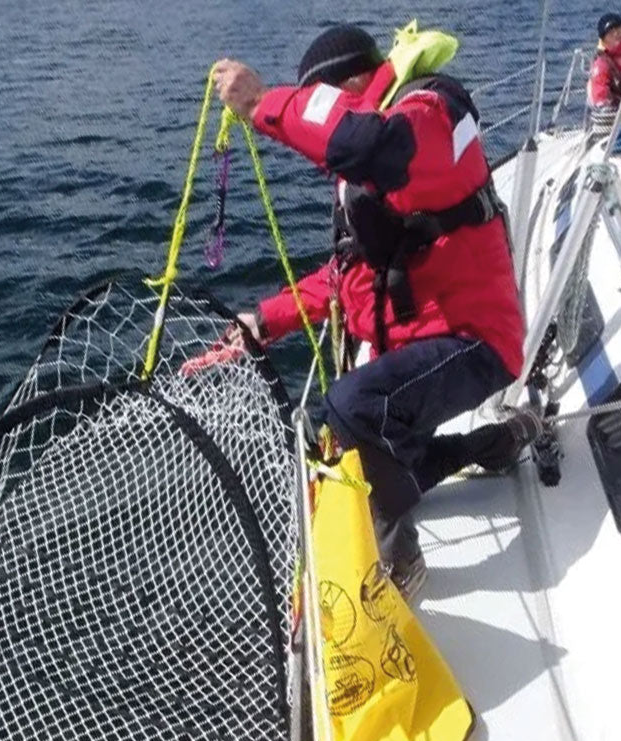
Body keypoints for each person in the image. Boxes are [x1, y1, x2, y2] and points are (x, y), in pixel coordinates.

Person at [190, 24, 532, 600]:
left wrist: (261, 103)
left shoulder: (430, 112)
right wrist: (262, 322)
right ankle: (495, 442)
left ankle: (401, 563)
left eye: (331, 101)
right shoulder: (378, 166)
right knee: (362, 463)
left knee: (350, 407)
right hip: (423, 344)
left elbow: (361, 141)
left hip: (475, 342)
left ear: (350, 84)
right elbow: (351, 275)